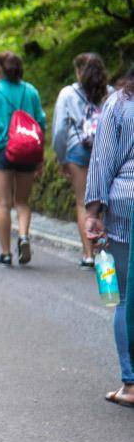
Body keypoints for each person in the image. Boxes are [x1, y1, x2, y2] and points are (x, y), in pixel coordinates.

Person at [83, 78, 134, 408]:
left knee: (125, 297)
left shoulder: (119, 103)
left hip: (126, 203)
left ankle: (130, 384)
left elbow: (102, 158)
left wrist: (93, 210)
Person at [0, 50, 46, 266]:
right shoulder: (31, 91)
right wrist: (40, 157)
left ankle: (6, 252)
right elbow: (40, 124)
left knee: (4, 204)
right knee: (23, 202)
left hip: (2, 151)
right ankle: (23, 236)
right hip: (28, 151)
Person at [54, 52, 109, 266]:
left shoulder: (68, 94)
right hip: (103, 151)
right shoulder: (111, 93)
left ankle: (88, 255)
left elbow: (60, 130)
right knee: (101, 203)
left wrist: (61, 158)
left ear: (79, 71)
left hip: (78, 151)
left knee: (82, 203)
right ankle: (102, 250)